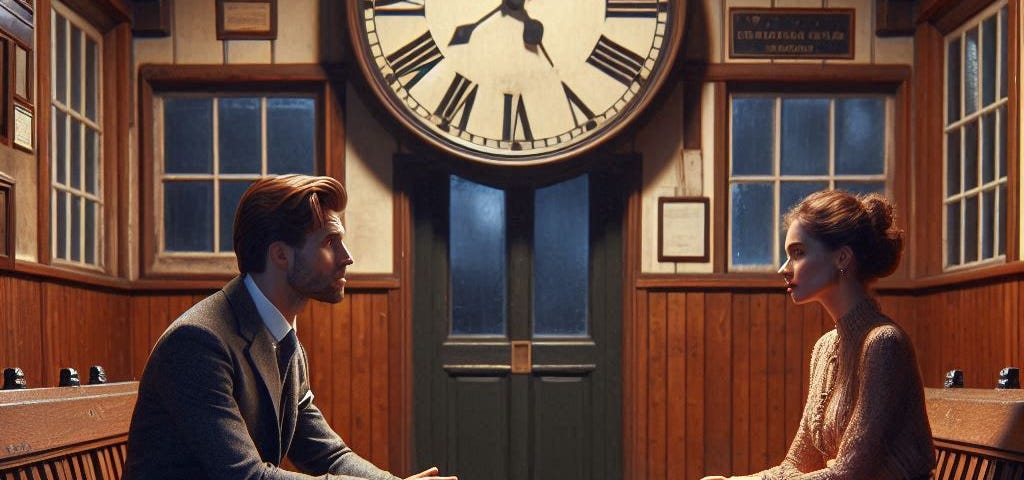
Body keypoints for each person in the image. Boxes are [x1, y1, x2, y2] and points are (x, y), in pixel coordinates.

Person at [124, 175, 456, 480]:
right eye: (330, 242)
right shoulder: (198, 343)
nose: (347, 256)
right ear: (281, 255)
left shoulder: (283, 340)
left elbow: (329, 455)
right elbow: (248, 477)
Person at [702, 190, 935, 480]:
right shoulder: (825, 348)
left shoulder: (884, 344)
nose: (784, 269)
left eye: (798, 253)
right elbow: (795, 465)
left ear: (842, 257)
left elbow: (847, 476)